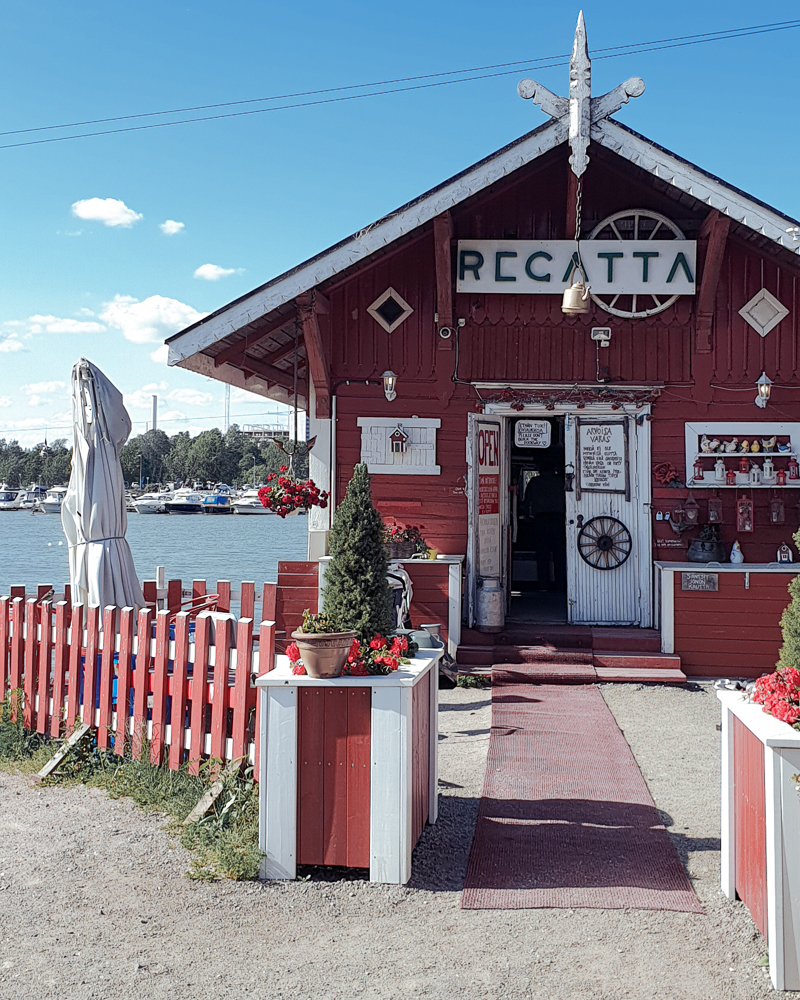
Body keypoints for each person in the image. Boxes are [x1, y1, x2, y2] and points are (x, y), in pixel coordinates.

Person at [523, 461, 566, 591]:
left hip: (541, 519)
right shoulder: (561, 482)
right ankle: (561, 584)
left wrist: (526, 516)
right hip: (558, 518)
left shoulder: (534, 482)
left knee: (542, 553)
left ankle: (543, 585)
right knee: (560, 553)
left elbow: (526, 503)